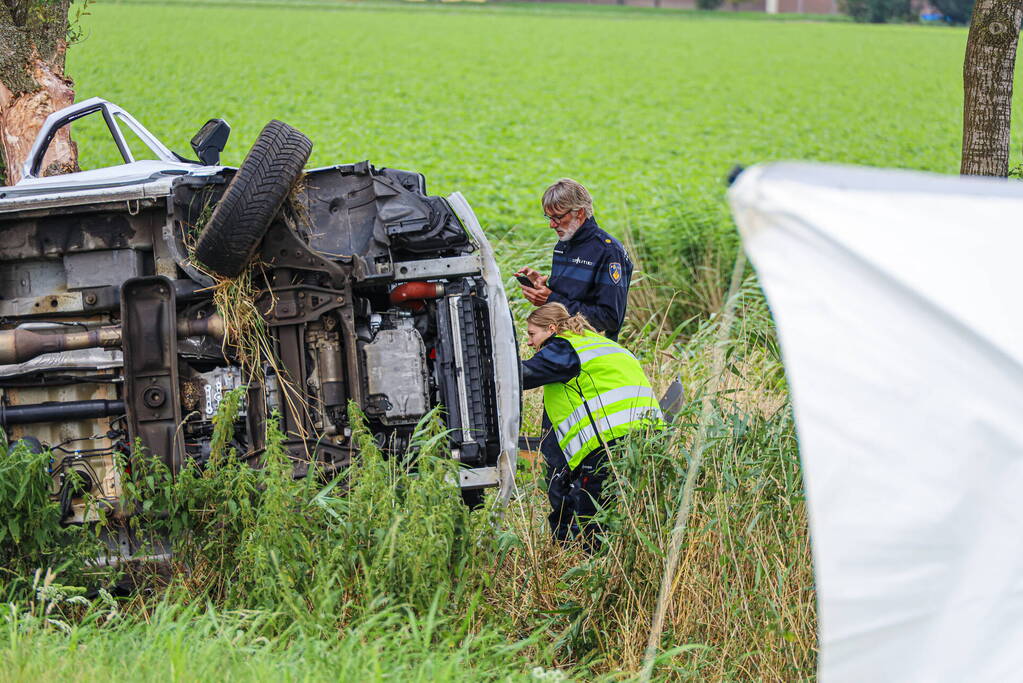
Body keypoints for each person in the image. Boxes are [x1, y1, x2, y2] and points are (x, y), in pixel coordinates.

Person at [521, 303, 663, 551]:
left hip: (608, 438)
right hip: (647, 433)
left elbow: (522, 375)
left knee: (593, 517)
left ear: (552, 329)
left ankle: (595, 568)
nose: (530, 343)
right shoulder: (600, 343)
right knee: (632, 508)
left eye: (532, 334)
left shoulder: (563, 348)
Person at [516, 178, 633, 342]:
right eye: (548, 217)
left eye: (557, 217)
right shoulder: (563, 245)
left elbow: (609, 320)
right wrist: (542, 289)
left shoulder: (608, 252)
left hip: (591, 352)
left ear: (579, 212)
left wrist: (551, 299)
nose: (551, 224)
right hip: (562, 347)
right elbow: (569, 299)